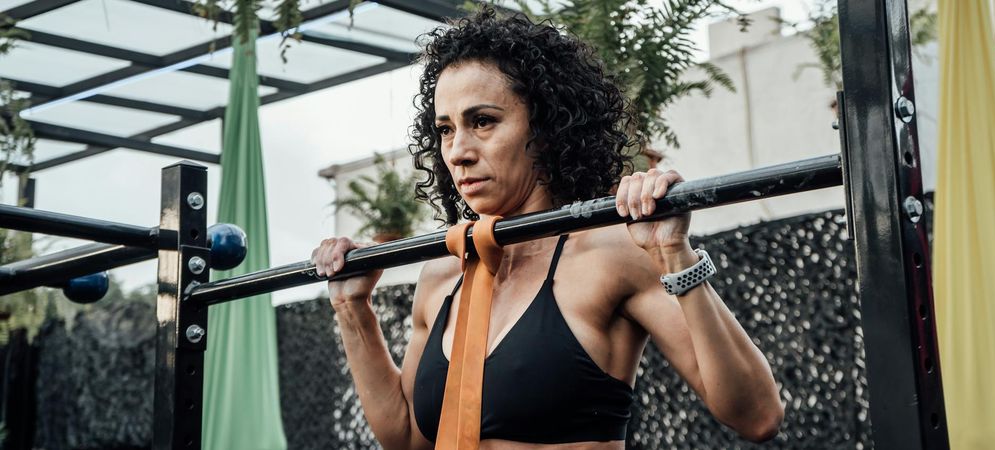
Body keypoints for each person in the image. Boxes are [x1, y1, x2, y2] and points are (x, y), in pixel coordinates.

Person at [311, 8, 783, 449]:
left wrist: (676, 255)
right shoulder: (443, 276)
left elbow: (757, 416)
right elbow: (409, 437)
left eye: (482, 122)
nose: (457, 151)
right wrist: (353, 309)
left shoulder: (608, 256)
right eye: (446, 129)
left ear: (546, 127)